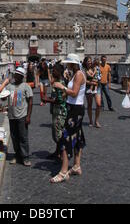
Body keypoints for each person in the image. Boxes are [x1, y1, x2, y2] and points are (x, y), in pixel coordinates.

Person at [49, 53, 86, 183]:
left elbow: (75, 93)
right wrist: (65, 94)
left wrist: (62, 87)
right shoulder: (75, 74)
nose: (67, 65)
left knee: (64, 138)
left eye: (68, 63)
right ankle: (76, 166)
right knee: (78, 137)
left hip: (75, 110)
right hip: (75, 108)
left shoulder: (79, 75)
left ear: (73, 63)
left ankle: (64, 171)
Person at [7, 66, 33, 166]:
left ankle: (25, 157)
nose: (15, 77)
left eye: (18, 75)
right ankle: (17, 155)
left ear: (22, 77)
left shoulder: (26, 86)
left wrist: (28, 116)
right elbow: (4, 99)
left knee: (23, 137)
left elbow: (30, 101)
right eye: (15, 75)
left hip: (22, 115)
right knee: (14, 137)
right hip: (11, 116)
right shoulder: (9, 86)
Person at [42, 64, 68, 161]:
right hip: (56, 110)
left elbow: (60, 100)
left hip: (60, 111)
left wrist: (47, 100)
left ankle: (61, 156)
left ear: (59, 72)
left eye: (54, 71)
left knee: (58, 133)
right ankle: (57, 152)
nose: (53, 72)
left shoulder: (60, 83)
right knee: (56, 131)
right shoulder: (56, 82)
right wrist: (48, 99)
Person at [83, 57, 102, 128]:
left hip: (97, 87)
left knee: (98, 104)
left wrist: (97, 81)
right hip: (88, 88)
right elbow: (84, 81)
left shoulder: (95, 68)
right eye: (88, 61)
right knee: (90, 104)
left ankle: (96, 121)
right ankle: (91, 120)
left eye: (90, 61)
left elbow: (99, 76)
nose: (89, 62)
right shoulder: (84, 70)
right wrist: (92, 83)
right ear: (85, 62)